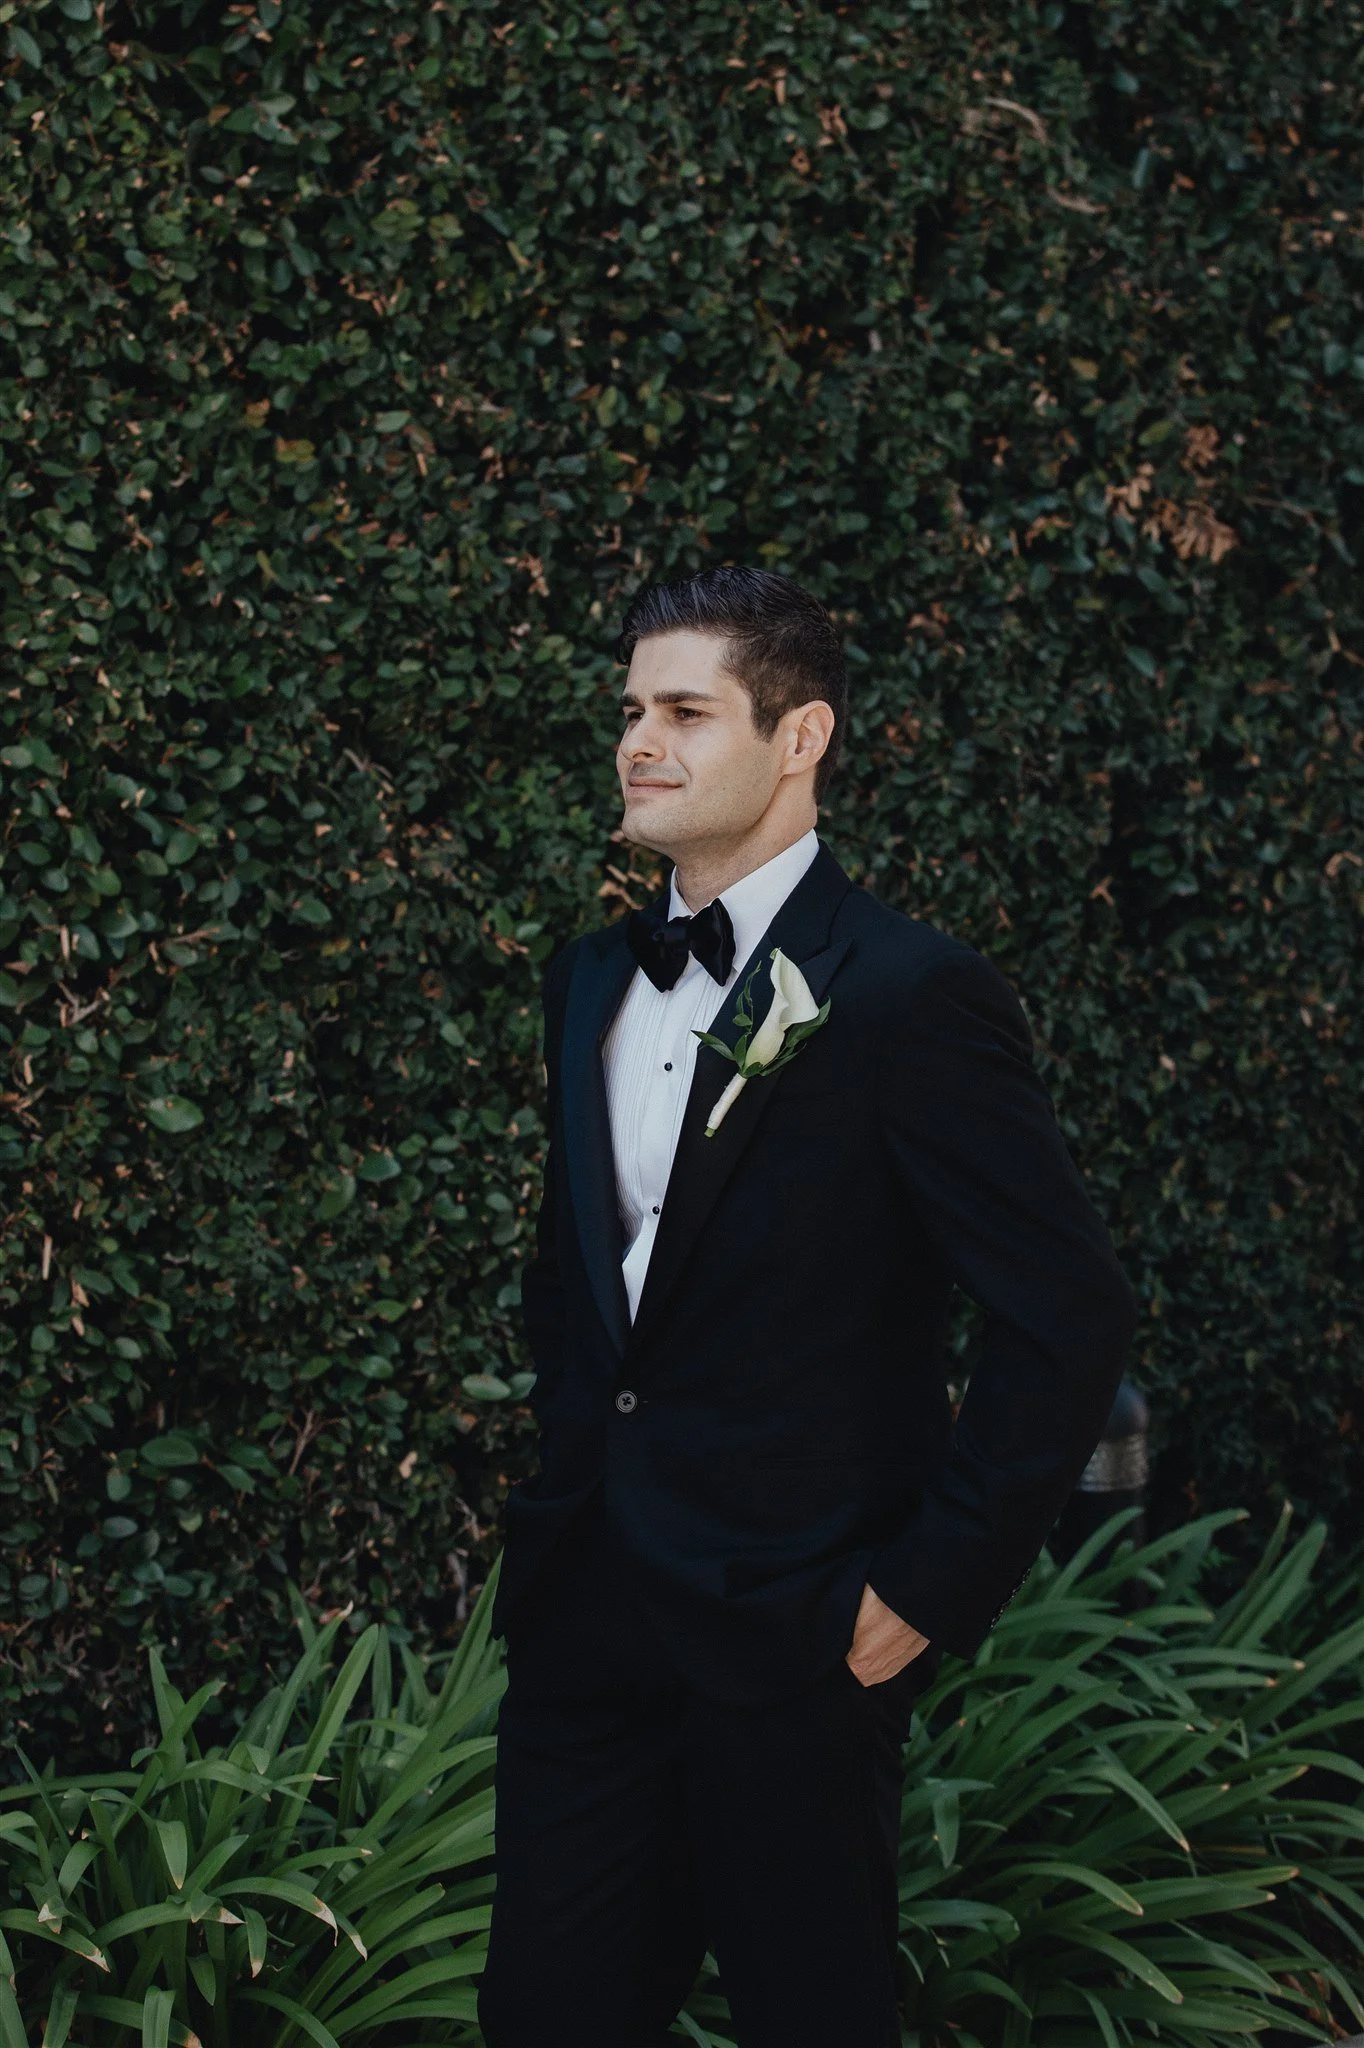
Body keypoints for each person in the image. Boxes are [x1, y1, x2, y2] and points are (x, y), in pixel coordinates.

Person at [478, 566, 1137, 2048]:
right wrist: (560, 1465)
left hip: (798, 1635)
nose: (640, 741)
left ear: (801, 736)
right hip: (588, 1621)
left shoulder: (912, 993)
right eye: (631, 711)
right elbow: (580, 1274)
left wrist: (918, 1597)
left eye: (686, 711)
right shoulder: (589, 981)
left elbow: (1068, 1314)